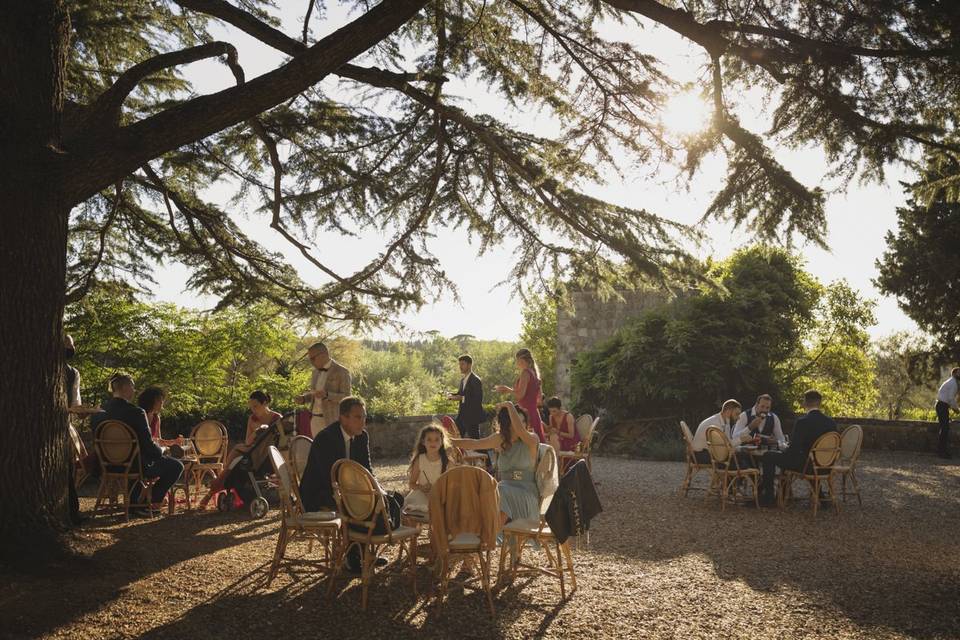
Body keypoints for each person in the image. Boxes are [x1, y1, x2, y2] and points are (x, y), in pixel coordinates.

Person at [299, 396, 400, 572]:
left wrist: (378, 490)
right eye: (358, 417)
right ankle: (353, 555)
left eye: (364, 417)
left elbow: (367, 470)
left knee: (393, 498)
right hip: (320, 492)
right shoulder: (326, 438)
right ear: (343, 418)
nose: (363, 422)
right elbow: (328, 478)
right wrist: (358, 494)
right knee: (359, 505)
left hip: (351, 490)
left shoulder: (362, 437)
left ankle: (364, 551)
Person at [90, 373, 183, 515]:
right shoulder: (136, 412)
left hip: (106, 464)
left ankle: (136, 504)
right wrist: (162, 449)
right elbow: (149, 447)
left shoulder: (97, 413)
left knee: (139, 458)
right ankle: (147, 502)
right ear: (126, 388)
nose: (134, 391)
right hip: (134, 466)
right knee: (176, 465)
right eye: (133, 387)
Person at [453, 402, 540, 527]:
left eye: (523, 421)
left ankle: (489, 536)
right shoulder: (500, 439)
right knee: (485, 489)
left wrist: (510, 406)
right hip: (503, 489)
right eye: (515, 421)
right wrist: (450, 441)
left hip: (526, 493)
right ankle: (477, 532)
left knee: (499, 491)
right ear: (507, 424)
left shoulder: (532, 439)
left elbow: (521, 431)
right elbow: (475, 443)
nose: (520, 425)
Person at [198, 390, 281, 508]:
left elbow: (281, 439)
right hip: (252, 450)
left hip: (267, 454)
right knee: (234, 462)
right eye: (251, 407)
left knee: (235, 453)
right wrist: (257, 432)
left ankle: (213, 488)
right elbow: (248, 441)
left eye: (256, 406)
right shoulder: (252, 419)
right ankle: (216, 487)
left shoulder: (277, 418)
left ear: (265, 404)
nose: (253, 410)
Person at [759, 390, 838, 506]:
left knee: (768, 456)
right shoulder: (831, 423)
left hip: (806, 465)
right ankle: (820, 498)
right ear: (819, 403)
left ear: (805, 403)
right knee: (799, 460)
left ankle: (768, 498)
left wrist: (783, 447)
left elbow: (794, 450)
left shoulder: (803, 422)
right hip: (826, 465)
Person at [63, 334, 99, 526]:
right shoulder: (72, 373)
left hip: (63, 426)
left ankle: (70, 511)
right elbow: (75, 405)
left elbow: (75, 405)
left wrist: (82, 412)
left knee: (68, 469)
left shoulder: (73, 373)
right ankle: (71, 512)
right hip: (62, 427)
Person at [296, 342, 352, 437]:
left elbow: (347, 397)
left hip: (332, 421)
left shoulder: (342, 372)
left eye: (313, 358)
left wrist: (327, 395)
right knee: (318, 450)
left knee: (332, 451)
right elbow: (314, 394)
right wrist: (304, 399)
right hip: (314, 419)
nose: (311, 362)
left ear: (324, 355)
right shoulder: (314, 373)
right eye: (310, 359)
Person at [405, 423, 457, 514]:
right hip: (422, 495)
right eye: (429, 439)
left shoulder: (448, 462)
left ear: (442, 442)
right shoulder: (420, 460)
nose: (433, 443)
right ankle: (416, 528)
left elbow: (453, 485)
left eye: (437, 440)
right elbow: (411, 484)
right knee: (410, 509)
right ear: (423, 442)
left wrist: (440, 491)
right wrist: (422, 487)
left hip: (443, 496)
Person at [495, 348, 544, 443]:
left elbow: (520, 395)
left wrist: (507, 390)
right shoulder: (535, 375)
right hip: (534, 413)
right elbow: (540, 399)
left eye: (517, 360)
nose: (516, 363)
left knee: (522, 444)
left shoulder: (525, 373)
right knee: (535, 445)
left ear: (521, 360)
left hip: (524, 414)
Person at [691, 399, 742, 464]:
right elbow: (725, 446)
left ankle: (749, 473)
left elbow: (728, 442)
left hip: (710, 452)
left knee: (742, 456)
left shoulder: (726, 420)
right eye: (737, 414)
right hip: (700, 455)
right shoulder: (715, 424)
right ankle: (747, 473)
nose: (739, 418)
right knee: (737, 460)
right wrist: (741, 439)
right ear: (728, 411)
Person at [448, 354, 484, 440]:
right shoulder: (462, 380)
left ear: (470, 365)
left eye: (462, 364)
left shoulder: (476, 380)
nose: (460, 366)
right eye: (459, 364)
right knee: (456, 438)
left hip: (472, 417)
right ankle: (459, 454)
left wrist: (462, 398)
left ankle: (483, 453)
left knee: (476, 441)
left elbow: (478, 398)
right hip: (461, 416)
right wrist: (450, 395)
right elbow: (460, 394)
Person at [934, 367, 960, 459]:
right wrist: (956, 409)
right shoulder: (953, 383)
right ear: (955, 373)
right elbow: (950, 398)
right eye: (959, 372)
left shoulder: (952, 382)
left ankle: (941, 451)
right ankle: (942, 452)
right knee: (945, 429)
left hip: (942, 405)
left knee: (944, 428)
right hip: (942, 406)